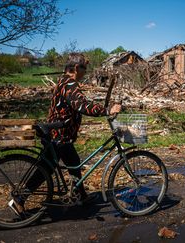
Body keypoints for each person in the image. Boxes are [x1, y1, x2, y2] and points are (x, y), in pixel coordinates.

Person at [9, 53, 121, 214]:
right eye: (84, 68)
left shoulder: (64, 81)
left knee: (73, 162)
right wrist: (107, 110)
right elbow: (82, 105)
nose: (85, 72)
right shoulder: (69, 84)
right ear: (76, 68)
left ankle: (80, 195)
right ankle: (19, 199)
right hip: (58, 135)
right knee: (46, 169)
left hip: (61, 134)